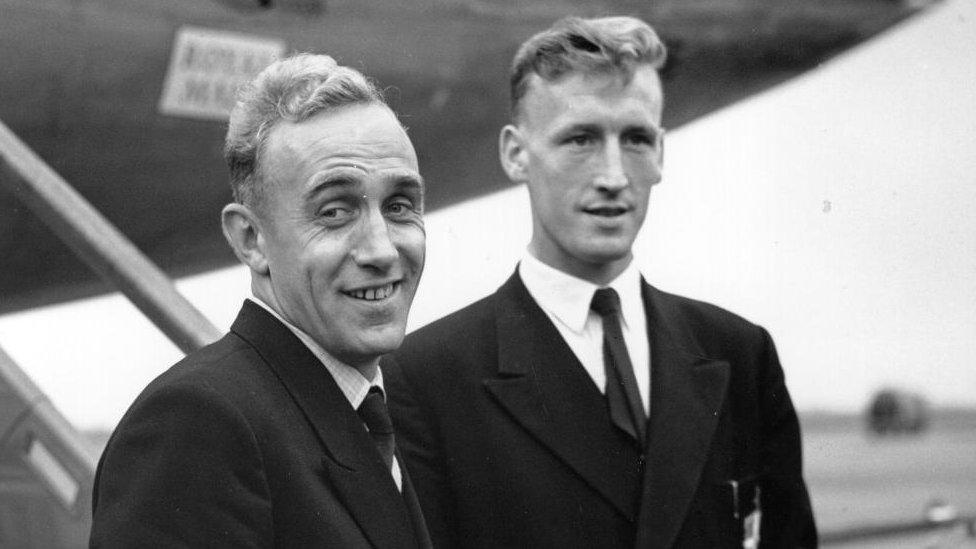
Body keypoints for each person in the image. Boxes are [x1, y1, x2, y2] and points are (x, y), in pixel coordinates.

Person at [384, 16, 817, 548]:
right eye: (581, 139)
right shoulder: (425, 378)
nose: (613, 175)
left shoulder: (741, 355)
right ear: (515, 153)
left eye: (635, 139)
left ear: (660, 154)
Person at [91, 53, 432, 548]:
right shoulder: (199, 424)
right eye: (335, 212)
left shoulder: (366, 410)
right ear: (251, 239)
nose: (381, 249)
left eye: (400, 206)